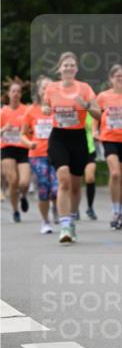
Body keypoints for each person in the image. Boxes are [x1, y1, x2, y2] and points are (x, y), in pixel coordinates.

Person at [44, 52, 97, 243]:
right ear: (59, 68)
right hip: (58, 137)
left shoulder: (84, 88)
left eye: (71, 65)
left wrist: (86, 106)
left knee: (75, 185)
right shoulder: (51, 89)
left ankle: (72, 217)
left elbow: (98, 114)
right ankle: (64, 224)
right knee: (63, 179)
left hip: (78, 138)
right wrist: (45, 109)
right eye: (65, 65)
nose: (68, 68)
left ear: (76, 69)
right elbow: (46, 107)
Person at [91, 64, 122, 230]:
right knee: (115, 173)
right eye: (117, 76)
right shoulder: (103, 96)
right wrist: (94, 131)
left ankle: (120, 209)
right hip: (108, 138)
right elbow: (96, 115)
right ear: (111, 79)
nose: (120, 79)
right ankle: (115, 210)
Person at [21, 76, 58, 233]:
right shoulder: (31, 111)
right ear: (39, 91)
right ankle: (45, 221)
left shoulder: (59, 108)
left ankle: (57, 207)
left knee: (57, 188)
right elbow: (23, 134)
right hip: (37, 154)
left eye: (51, 87)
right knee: (44, 186)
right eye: (44, 87)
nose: (47, 90)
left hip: (57, 153)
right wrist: (29, 144)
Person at [0, 78, 30, 222]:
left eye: (18, 91)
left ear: (21, 94)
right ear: (8, 94)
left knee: (24, 182)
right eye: (13, 91)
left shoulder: (26, 110)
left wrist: (28, 130)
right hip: (7, 149)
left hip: (23, 149)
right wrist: (3, 129)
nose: (16, 94)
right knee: (13, 181)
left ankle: (23, 195)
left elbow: (33, 127)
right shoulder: (3, 111)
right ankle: (15, 211)